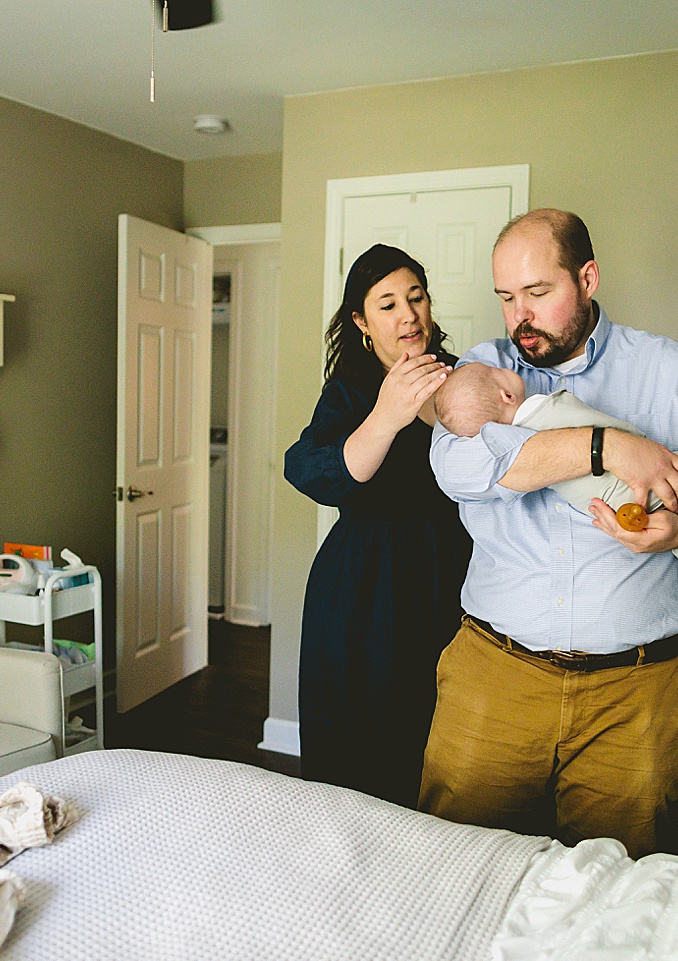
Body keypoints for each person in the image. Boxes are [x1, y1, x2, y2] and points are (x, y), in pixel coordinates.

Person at [420, 209, 678, 856]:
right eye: (506, 298)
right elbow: (458, 467)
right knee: (458, 864)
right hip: (494, 680)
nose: (518, 316)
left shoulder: (675, 372)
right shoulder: (482, 371)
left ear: (587, 277)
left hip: (640, 695)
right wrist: (604, 447)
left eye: (538, 293)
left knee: (624, 885)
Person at [284, 244, 472, 807]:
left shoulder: (460, 378)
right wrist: (388, 416)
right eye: (387, 304)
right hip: (365, 585)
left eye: (416, 298)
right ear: (362, 323)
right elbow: (311, 469)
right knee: (362, 741)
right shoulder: (351, 390)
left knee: (441, 737)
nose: (408, 315)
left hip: (451, 574)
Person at [433, 362, 678, 600]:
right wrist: (630, 443)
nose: (499, 365)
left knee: (677, 523)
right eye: (494, 371)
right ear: (505, 394)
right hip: (633, 485)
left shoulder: (505, 445)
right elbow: (605, 428)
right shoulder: (546, 407)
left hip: (616, 509)